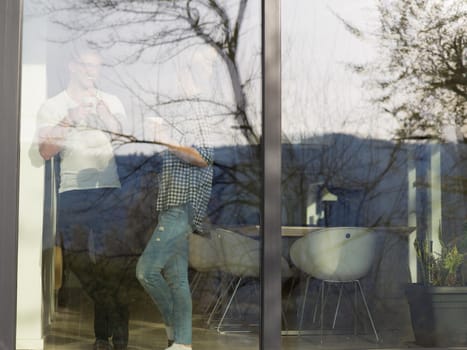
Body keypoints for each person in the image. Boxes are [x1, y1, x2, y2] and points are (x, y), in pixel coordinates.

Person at [36, 44, 131, 350]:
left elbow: (127, 141)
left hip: (108, 191)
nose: (93, 73)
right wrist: (69, 119)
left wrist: (105, 116)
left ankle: (112, 338)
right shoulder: (54, 105)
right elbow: (45, 150)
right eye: (88, 66)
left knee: (112, 265)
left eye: (97, 67)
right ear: (73, 67)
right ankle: (107, 328)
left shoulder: (111, 101)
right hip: (73, 193)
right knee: (77, 263)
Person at [136, 114, 214, 350]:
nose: (178, 76)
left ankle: (178, 332)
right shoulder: (179, 118)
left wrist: (164, 138)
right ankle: (181, 342)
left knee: (146, 271)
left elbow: (202, 158)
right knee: (177, 280)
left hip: (182, 208)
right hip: (171, 208)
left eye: (183, 74)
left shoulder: (200, 117)